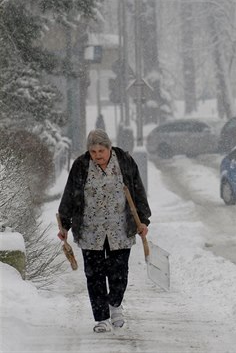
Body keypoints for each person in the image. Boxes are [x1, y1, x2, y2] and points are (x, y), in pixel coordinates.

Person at [57, 129, 151, 333]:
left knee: (119, 273)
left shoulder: (125, 161)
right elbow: (70, 195)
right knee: (94, 275)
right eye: (93, 151)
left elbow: (138, 191)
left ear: (109, 147)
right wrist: (64, 224)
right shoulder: (81, 166)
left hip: (121, 228)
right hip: (91, 229)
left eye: (101, 150)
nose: (97, 155)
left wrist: (143, 221)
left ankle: (115, 306)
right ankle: (102, 318)